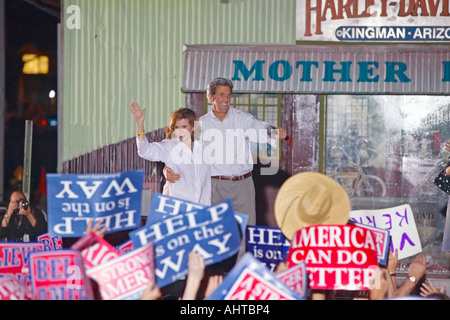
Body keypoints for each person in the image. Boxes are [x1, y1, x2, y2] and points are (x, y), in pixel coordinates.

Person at [165, 77, 287, 228]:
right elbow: (179, 152)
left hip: (244, 185)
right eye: (221, 95)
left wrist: (273, 131)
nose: (226, 99)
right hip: (215, 186)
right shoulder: (200, 125)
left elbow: (259, 127)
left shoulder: (242, 119)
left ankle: (242, 253)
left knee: (245, 230)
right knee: (217, 231)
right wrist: (166, 170)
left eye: (228, 95)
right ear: (211, 98)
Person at [130, 102, 211, 206]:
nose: (180, 131)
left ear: (193, 127)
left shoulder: (204, 148)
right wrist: (140, 124)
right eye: (177, 127)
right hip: (175, 208)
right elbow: (145, 151)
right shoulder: (169, 146)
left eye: (184, 126)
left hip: (201, 209)